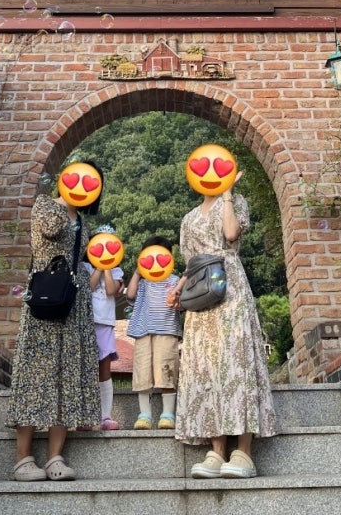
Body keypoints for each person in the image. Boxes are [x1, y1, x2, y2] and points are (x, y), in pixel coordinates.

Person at [166, 171, 276, 478]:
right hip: (201, 293)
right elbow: (191, 262)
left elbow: (230, 234)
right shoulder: (188, 218)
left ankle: (244, 453)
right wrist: (178, 289)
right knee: (206, 367)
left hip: (230, 288)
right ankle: (216, 451)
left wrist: (228, 194)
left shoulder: (236, 201)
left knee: (237, 362)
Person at [6, 176, 101, 482]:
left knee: (66, 376)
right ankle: (23, 459)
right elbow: (50, 230)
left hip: (73, 302)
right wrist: (62, 205)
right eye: (77, 178)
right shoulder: (46, 206)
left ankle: (54, 458)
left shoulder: (83, 221)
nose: (83, 186)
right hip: (44, 296)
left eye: (92, 183)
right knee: (34, 374)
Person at [125, 234, 183, 431]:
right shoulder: (143, 282)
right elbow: (130, 294)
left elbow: (181, 303)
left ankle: (167, 415)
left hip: (167, 331)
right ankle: (145, 415)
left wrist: (177, 300)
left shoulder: (174, 280)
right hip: (143, 332)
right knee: (143, 373)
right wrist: (138, 271)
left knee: (167, 370)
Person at [85, 224, 125, 430]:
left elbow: (111, 290)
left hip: (105, 323)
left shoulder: (117, 271)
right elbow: (88, 287)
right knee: (86, 368)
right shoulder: (85, 268)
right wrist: (98, 267)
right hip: (85, 323)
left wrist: (107, 266)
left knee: (104, 367)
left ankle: (105, 416)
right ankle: (84, 416)